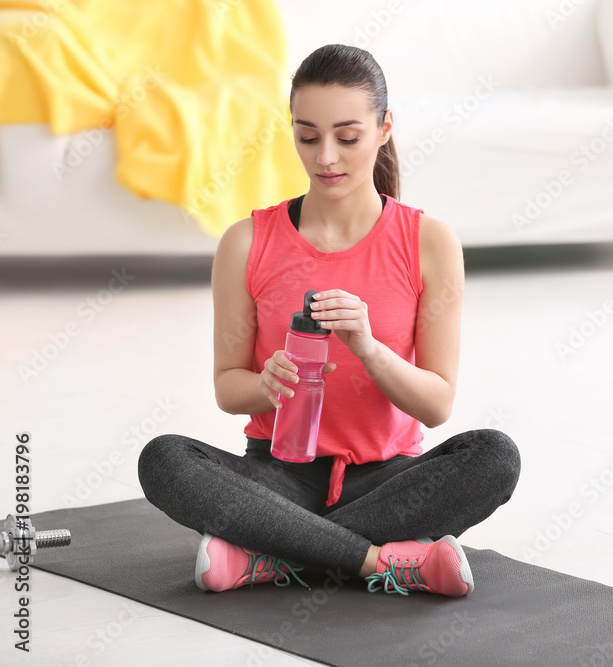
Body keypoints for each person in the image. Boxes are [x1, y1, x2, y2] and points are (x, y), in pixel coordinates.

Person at [137, 44, 521, 598]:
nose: (326, 158)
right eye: (308, 136)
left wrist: (369, 348)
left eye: (348, 137)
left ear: (384, 128)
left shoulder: (430, 242)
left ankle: (267, 554)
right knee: (165, 460)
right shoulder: (246, 243)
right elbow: (228, 388)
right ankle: (380, 561)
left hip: (387, 479)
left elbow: (436, 405)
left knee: (494, 457)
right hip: (278, 476)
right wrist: (265, 385)